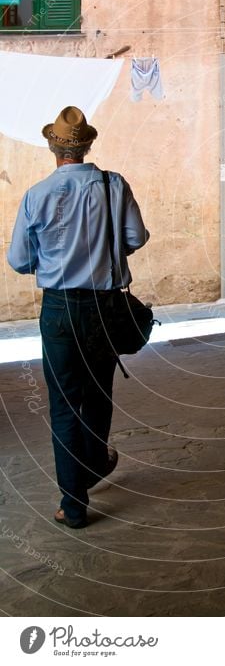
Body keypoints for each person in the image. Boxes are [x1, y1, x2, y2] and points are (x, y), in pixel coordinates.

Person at [7, 106, 150, 529]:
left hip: (58, 310)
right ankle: (91, 465)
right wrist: (101, 253)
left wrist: (52, 259)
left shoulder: (36, 195)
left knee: (65, 404)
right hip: (104, 307)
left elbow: (19, 259)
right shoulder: (113, 185)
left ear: (53, 147)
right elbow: (136, 237)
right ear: (87, 146)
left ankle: (74, 504)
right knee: (98, 393)